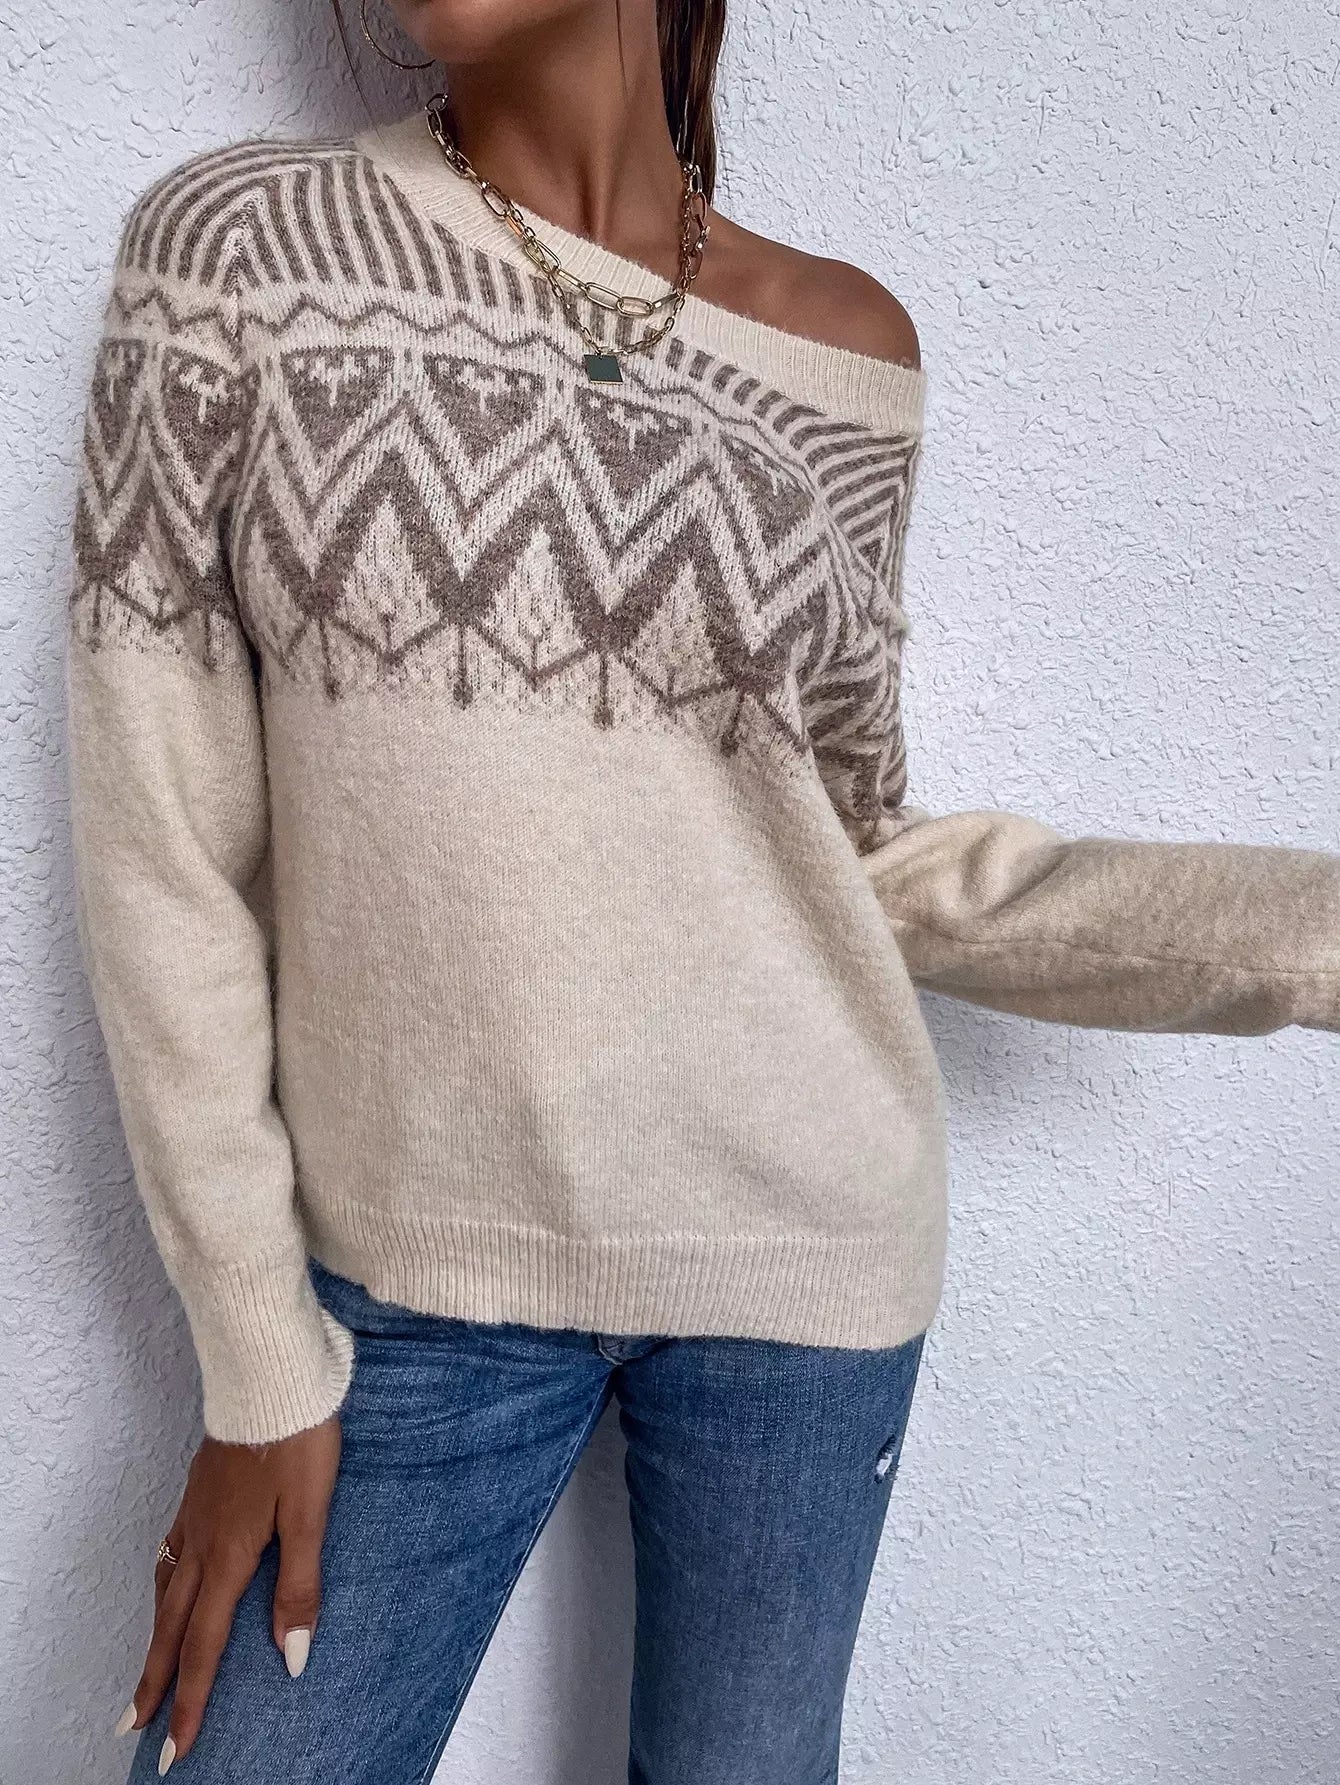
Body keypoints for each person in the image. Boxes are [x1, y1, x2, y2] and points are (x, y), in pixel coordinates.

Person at [62, 1, 1338, 1780]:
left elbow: (860, 849)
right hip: (406, 1283)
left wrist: (1307, 934)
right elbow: (162, 845)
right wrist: (256, 1359)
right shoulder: (239, 252)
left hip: (804, 1264)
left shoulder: (846, 351)